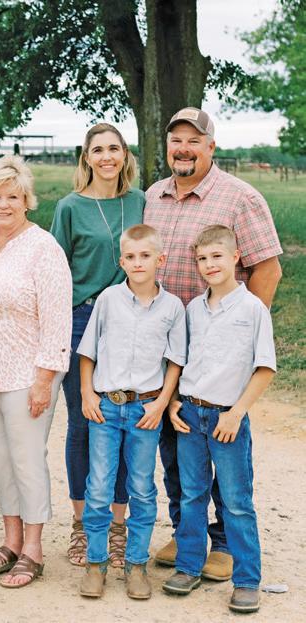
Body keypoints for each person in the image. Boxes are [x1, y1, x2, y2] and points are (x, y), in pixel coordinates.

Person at [144, 107, 282, 581]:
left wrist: (241, 336)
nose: (183, 149)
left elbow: (267, 269)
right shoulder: (153, 196)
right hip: (166, 349)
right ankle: (187, 533)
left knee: (223, 446)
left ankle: (222, 543)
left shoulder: (240, 198)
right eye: (176, 141)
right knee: (175, 445)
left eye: (193, 141)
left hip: (218, 352)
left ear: (211, 147)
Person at [0, 155, 71, 588]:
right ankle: (10, 541)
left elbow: (58, 320)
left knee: (27, 459)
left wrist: (45, 379)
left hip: (27, 372)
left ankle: (33, 549)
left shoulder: (43, 248)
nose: (2, 204)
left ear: (27, 201)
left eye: (12, 197)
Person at [162, 225, 276, 614]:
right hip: (190, 414)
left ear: (235, 257)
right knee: (191, 494)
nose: (209, 265)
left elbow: (265, 368)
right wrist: (173, 402)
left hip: (228, 418)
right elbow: (180, 361)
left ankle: (246, 580)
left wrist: (236, 412)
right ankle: (188, 566)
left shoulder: (252, 309)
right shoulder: (194, 309)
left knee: (235, 500)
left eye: (217, 257)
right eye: (202, 259)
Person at [50, 123, 144, 567]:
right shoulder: (70, 207)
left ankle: (118, 526)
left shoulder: (140, 201)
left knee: (124, 421)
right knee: (84, 421)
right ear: (86, 158)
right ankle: (83, 524)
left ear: (125, 154)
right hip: (81, 318)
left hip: (130, 318)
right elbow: (55, 273)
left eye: (114, 148)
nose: (107, 157)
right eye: (98, 150)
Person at [76, 224, 186, 600]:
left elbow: (175, 361)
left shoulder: (172, 308)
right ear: (121, 261)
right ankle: (96, 563)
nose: (138, 263)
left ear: (160, 259)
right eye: (131, 257)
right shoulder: (108, 299)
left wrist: (161, 403)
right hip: (106, 407)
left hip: (145, 411)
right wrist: (87, 393)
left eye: (145, 256)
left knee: (141, 488)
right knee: (98, 487)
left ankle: (136, 564)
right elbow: (88, 350)